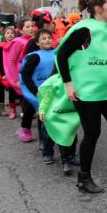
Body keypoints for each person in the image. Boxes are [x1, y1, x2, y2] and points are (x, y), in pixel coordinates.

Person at [56, 0, 107, 192]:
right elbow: (61, 55)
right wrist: (68, 84)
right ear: (98, 8)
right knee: (92, 134)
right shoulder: (84, 29)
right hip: (87, 91)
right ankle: (84, 178)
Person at [20, 29, 78, 172]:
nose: (47, 40)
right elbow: (25, 75)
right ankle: (47, 151)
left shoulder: (59, 53)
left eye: (49, 37)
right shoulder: (34, 57)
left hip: (60, 94)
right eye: (43, 38)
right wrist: (35, 91)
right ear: (37, 42)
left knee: (68, 125)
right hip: (44, 95)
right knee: (45, 125)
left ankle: (69, 155)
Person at [4, 19, 36, 142]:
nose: (31, 28)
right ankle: (25, 129)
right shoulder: (17, 42)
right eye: (27, 27)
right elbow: (12, 61)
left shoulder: (36, 39)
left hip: (35, 75)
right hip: (24, 76)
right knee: (28, 102)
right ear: (21, 30)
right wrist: (16, 80)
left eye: (32, 26)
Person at [0, 26, 20, 119]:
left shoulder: (17, 45)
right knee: (11, 92)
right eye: (7, 33)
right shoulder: (1, 47)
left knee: (20, 92)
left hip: (17, 71)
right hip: (8, 73)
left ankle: (24, 110)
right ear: (4, 35)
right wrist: (3, 74)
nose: (10, 35)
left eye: (12, 33)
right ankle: (13, 110)